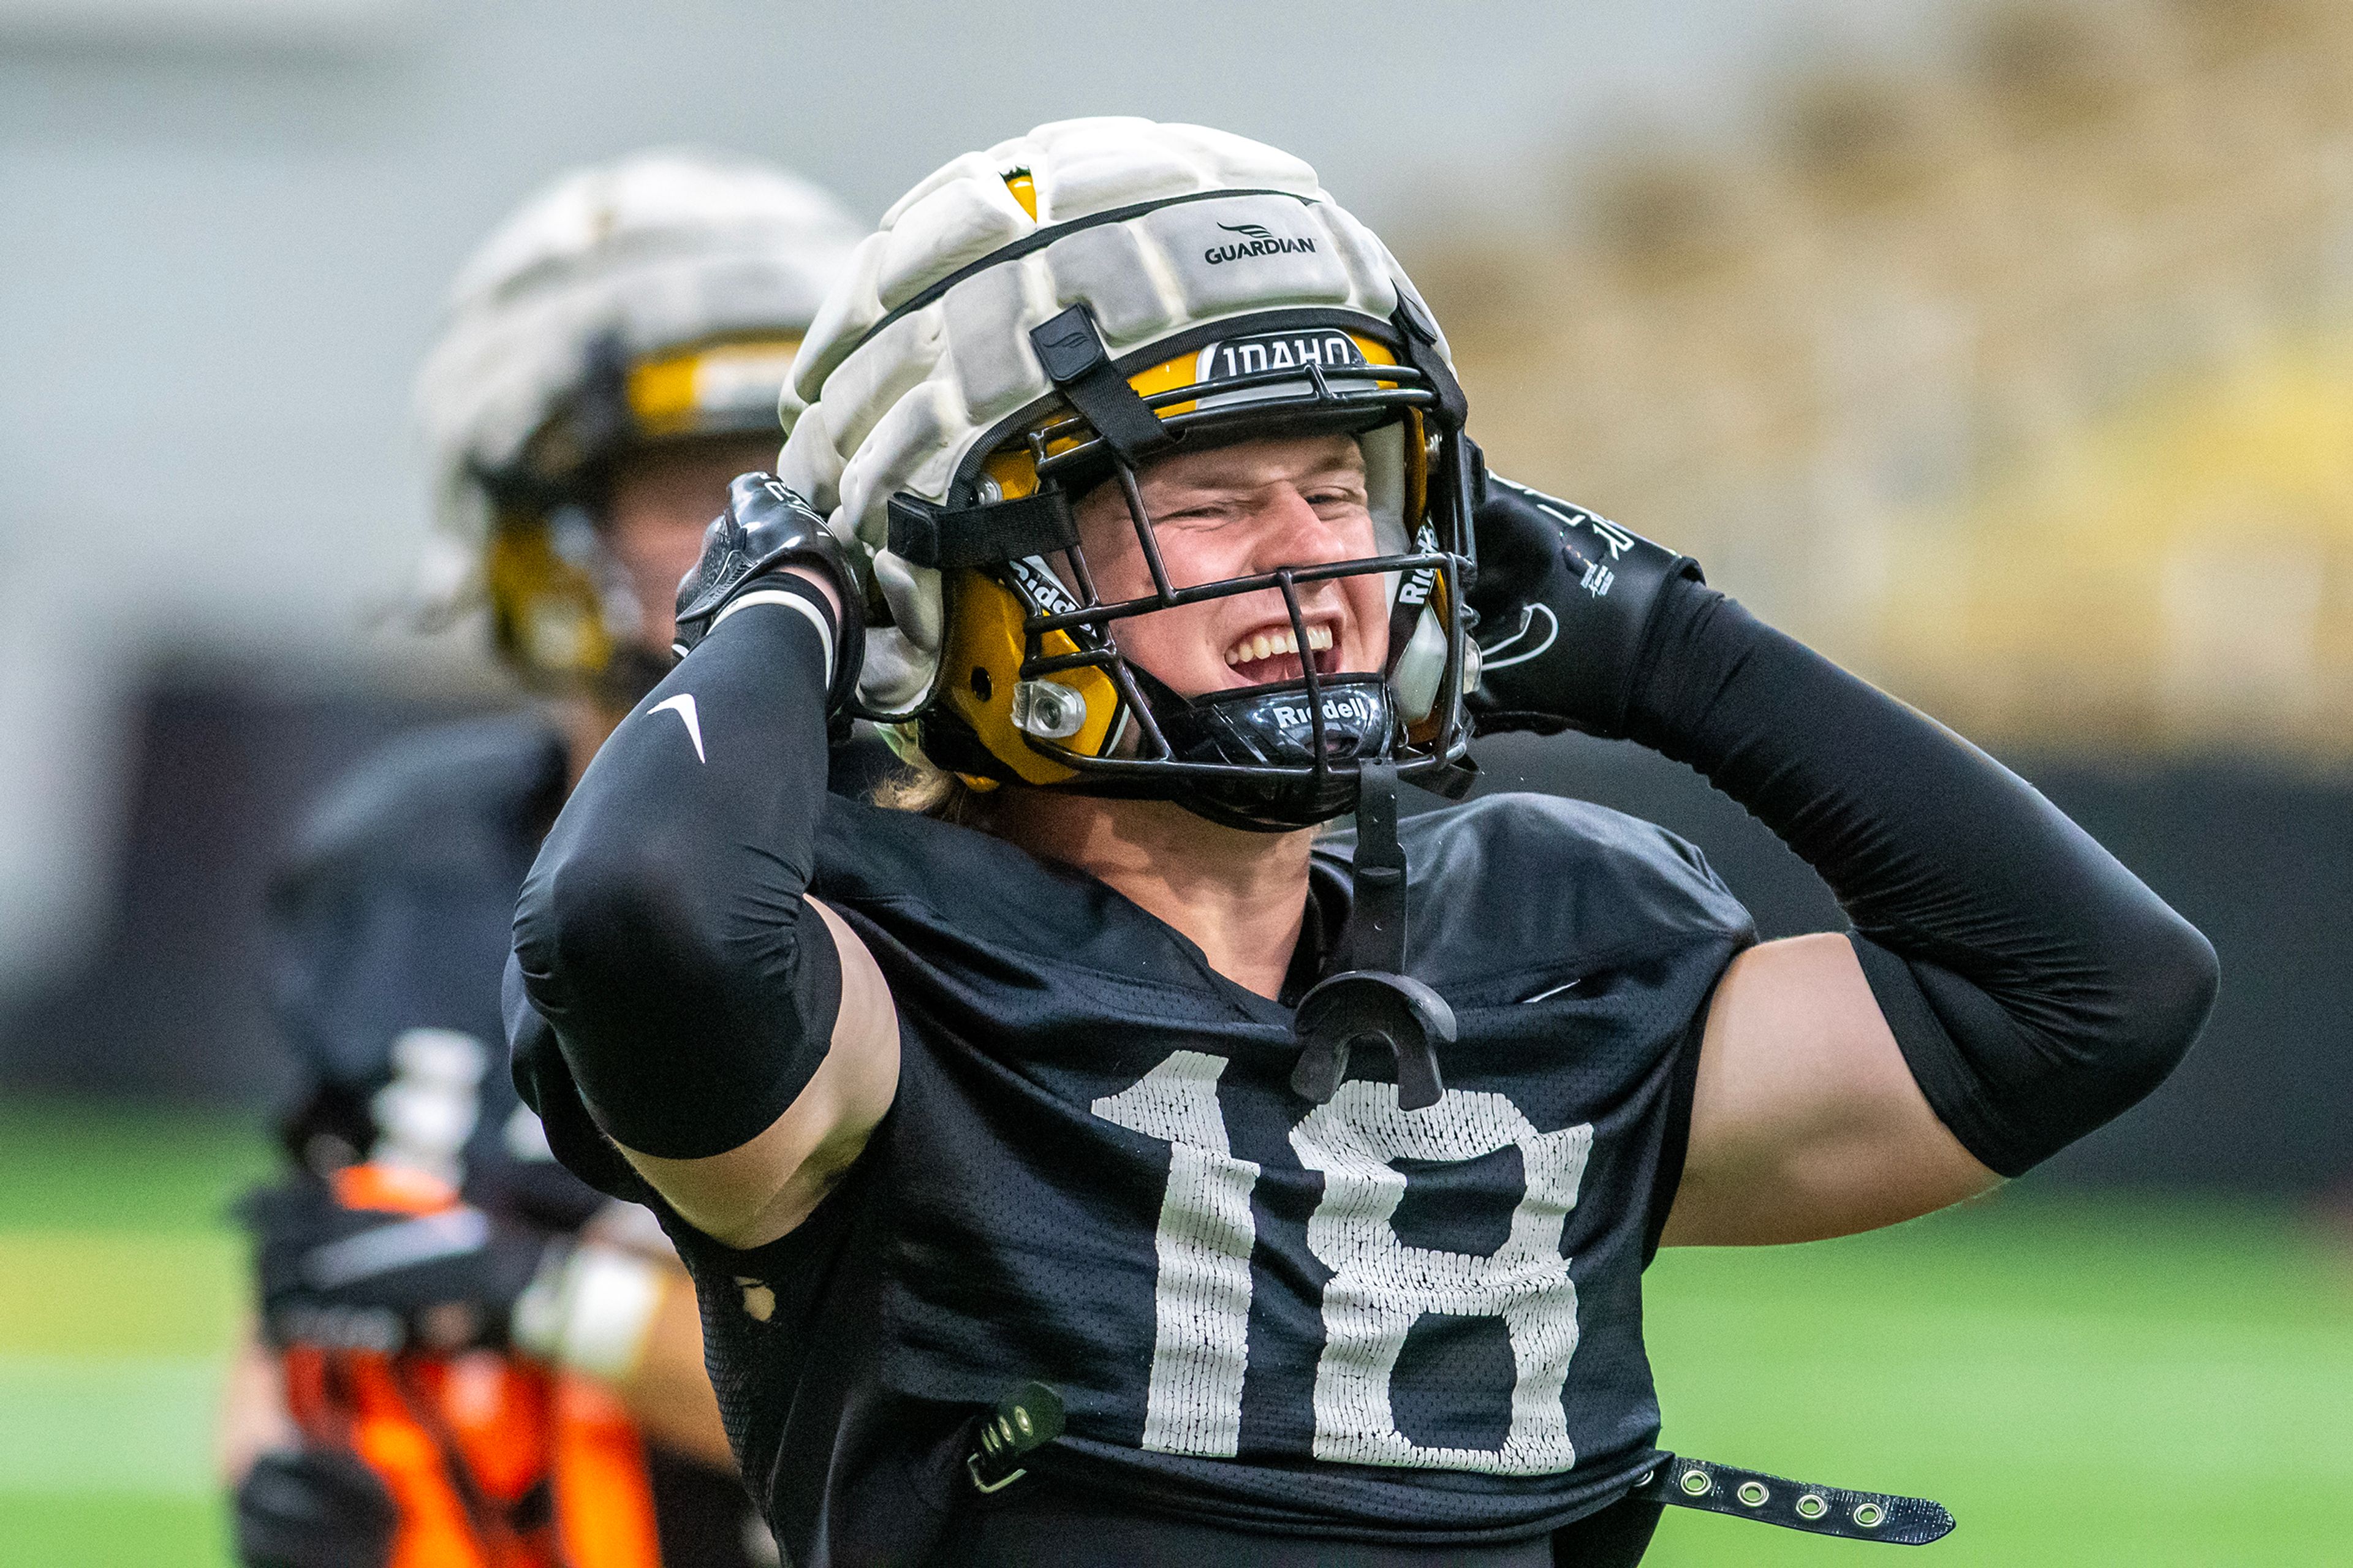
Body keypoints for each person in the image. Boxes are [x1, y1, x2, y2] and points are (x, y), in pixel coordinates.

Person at [507, 118, 2218, 1567]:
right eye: (1203, 508)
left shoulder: (1548, 929)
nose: (1310, 565)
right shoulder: (881, 978)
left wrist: (1682, 652)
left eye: (1338, 487)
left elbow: (2094, 994)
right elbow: (642, 918)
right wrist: (793, 614)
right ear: (956, 578)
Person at [219, 147, 863, 1568]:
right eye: (697, 486)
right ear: (539, 533)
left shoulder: (923, 864)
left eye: (796, 484)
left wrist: (538, 1292)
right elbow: (304, 1282)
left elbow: (948, 1408)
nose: (758, 541)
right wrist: (283, 1465)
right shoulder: (397, 859)